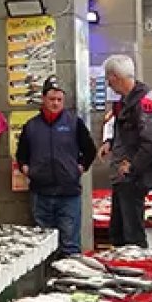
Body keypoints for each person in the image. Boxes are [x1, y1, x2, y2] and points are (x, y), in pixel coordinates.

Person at [15, 77, 97, 256]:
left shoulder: (75, 123)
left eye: (59, 99)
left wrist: (80, 167)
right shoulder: (31, 126)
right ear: (43, 99)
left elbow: (90, 150)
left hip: (69, 195)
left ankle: (70, 274)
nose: (55, 103)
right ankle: (48, 275)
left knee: (70, 246)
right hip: (40, 195)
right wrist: (27, 169)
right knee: (44, 249)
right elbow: (21, 155)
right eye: (52, 99)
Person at [102, 54, 152, 247]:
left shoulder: (142, 102)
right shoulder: (126, 101)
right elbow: (128, 132)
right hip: (123, 177)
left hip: (133, 178)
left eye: (108, 78)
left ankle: (138, 264)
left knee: (132, 234)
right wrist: (110, 142)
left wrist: (132, 167)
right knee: (118, 232)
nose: (108, 84)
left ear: (115, 77)